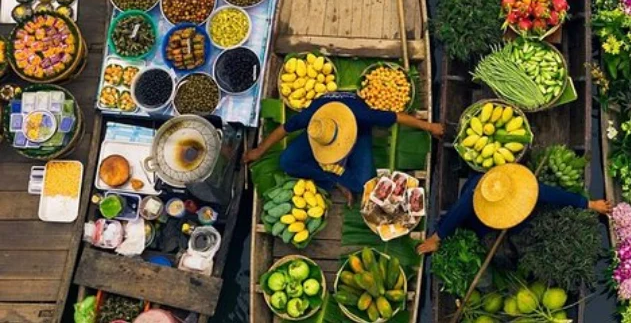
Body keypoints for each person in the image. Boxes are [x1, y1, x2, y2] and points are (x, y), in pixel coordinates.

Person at [243, 92, 443, 204]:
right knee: (287, 161)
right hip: (321, 133)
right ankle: (335, 180)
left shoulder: (362, 115)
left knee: (362, 184)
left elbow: (397, 117)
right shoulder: (312, 118)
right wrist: (259, 151)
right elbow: (283, 129)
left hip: (357, 131)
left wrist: (430, 127)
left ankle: (338, 176)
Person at [416, 163, 610, 255]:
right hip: (480, 221)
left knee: (525, 227)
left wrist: (590, 204)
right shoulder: (473, 197)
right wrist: (435, 238)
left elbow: (556, 195)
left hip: (513, 217)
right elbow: (454, 215)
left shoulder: (524, 189)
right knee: (485, 237)